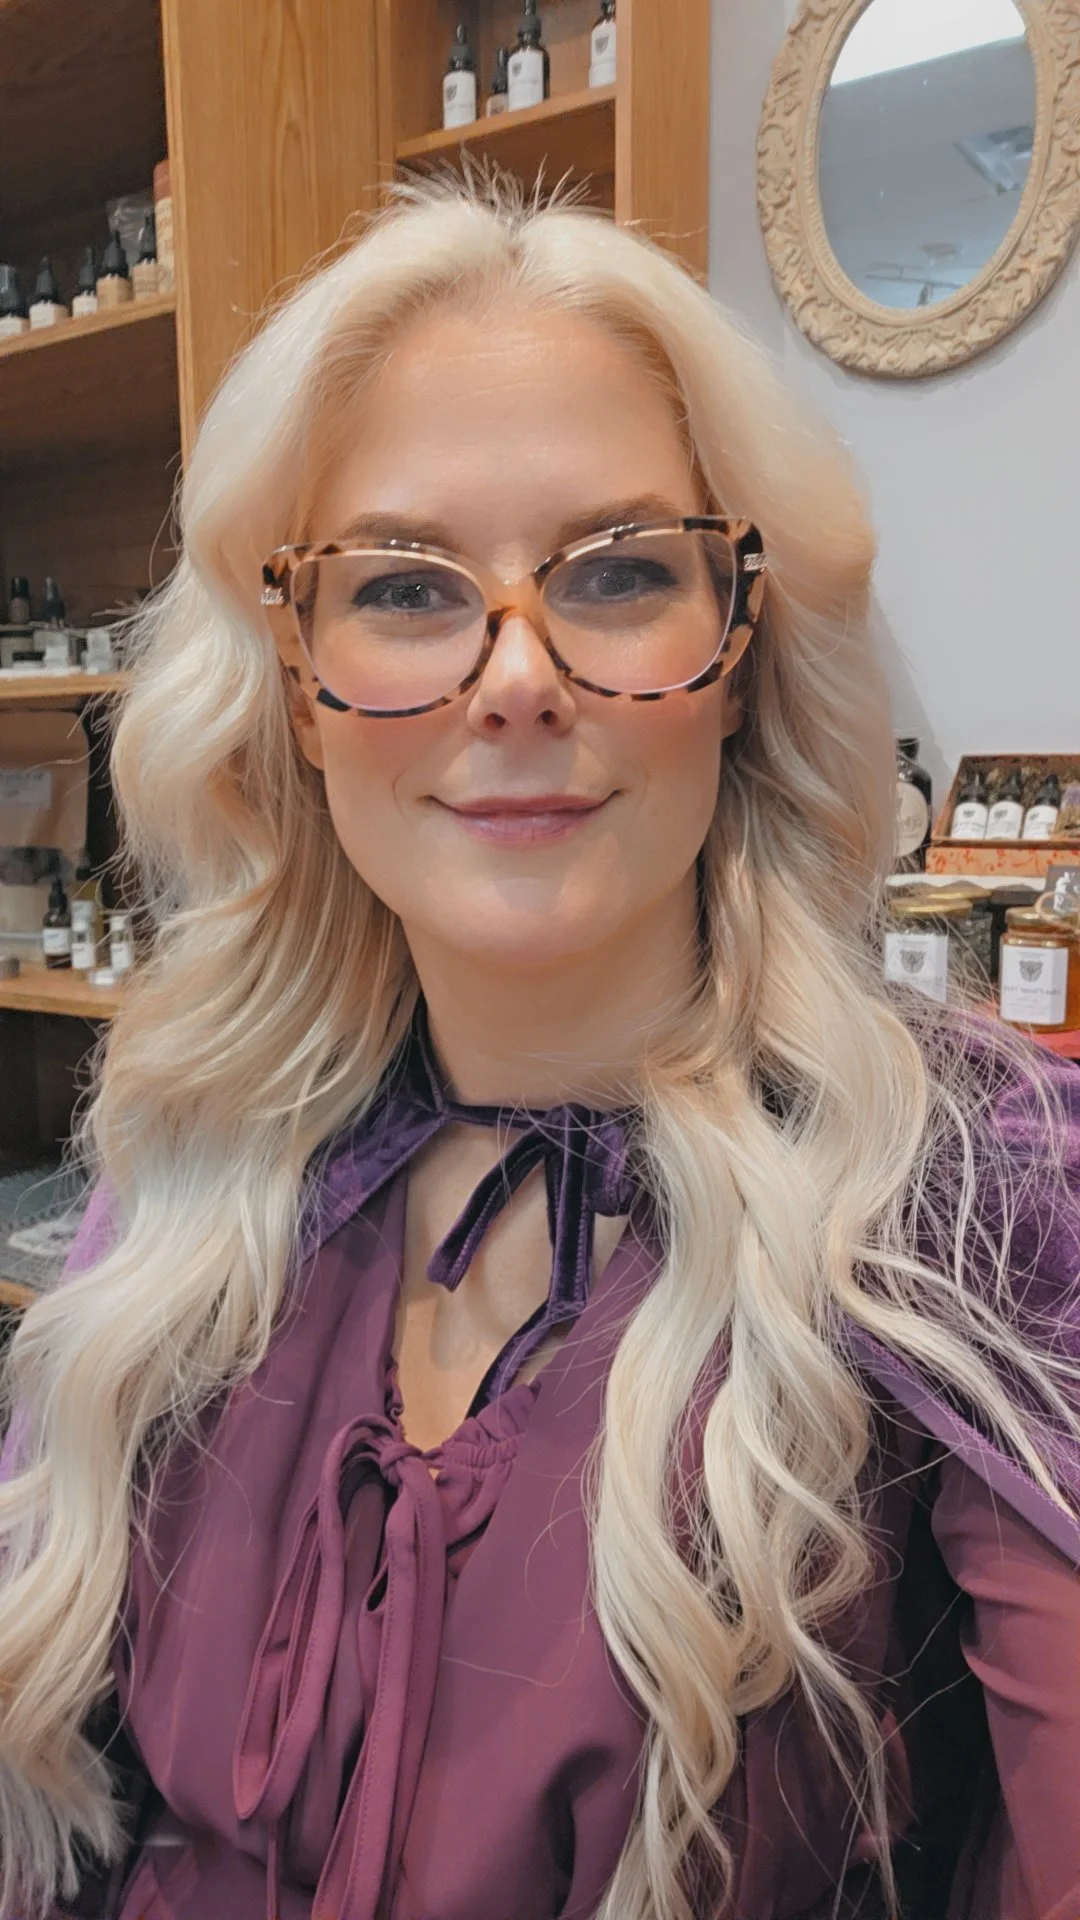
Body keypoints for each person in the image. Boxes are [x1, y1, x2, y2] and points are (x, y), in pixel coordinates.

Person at [0, 176, 1078, 1920]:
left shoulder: (981, 1196)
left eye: (619, 570)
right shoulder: (204, 1161)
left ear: (739, 650)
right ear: (296, 677)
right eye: (408, 589)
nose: (515, 680)